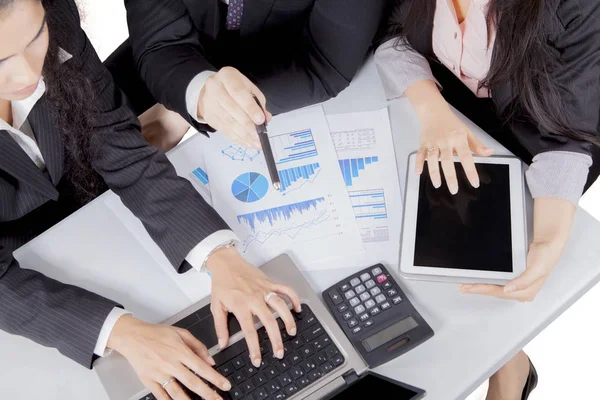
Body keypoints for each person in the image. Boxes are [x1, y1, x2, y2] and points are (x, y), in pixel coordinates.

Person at [0, 1, 302, 399]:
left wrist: (220, 257)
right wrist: (121, 333)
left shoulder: (56, 16)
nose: (28, 72)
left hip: (90, 212)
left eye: (36, 36)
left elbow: (111, 139)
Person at [375, 0, 600, 399]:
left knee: (507, 262)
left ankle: (509, 370)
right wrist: (433, 111)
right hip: (454, 108)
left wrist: (549, 242)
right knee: (437, 246)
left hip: (547, 129)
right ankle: (512, 359)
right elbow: (391, 32)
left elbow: (568, 134)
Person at [121, 0, 390, 150]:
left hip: (283, 71)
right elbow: (160, 43)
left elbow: (323, 61)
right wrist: (197, 93)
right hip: (177, 59)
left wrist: (218, 104)